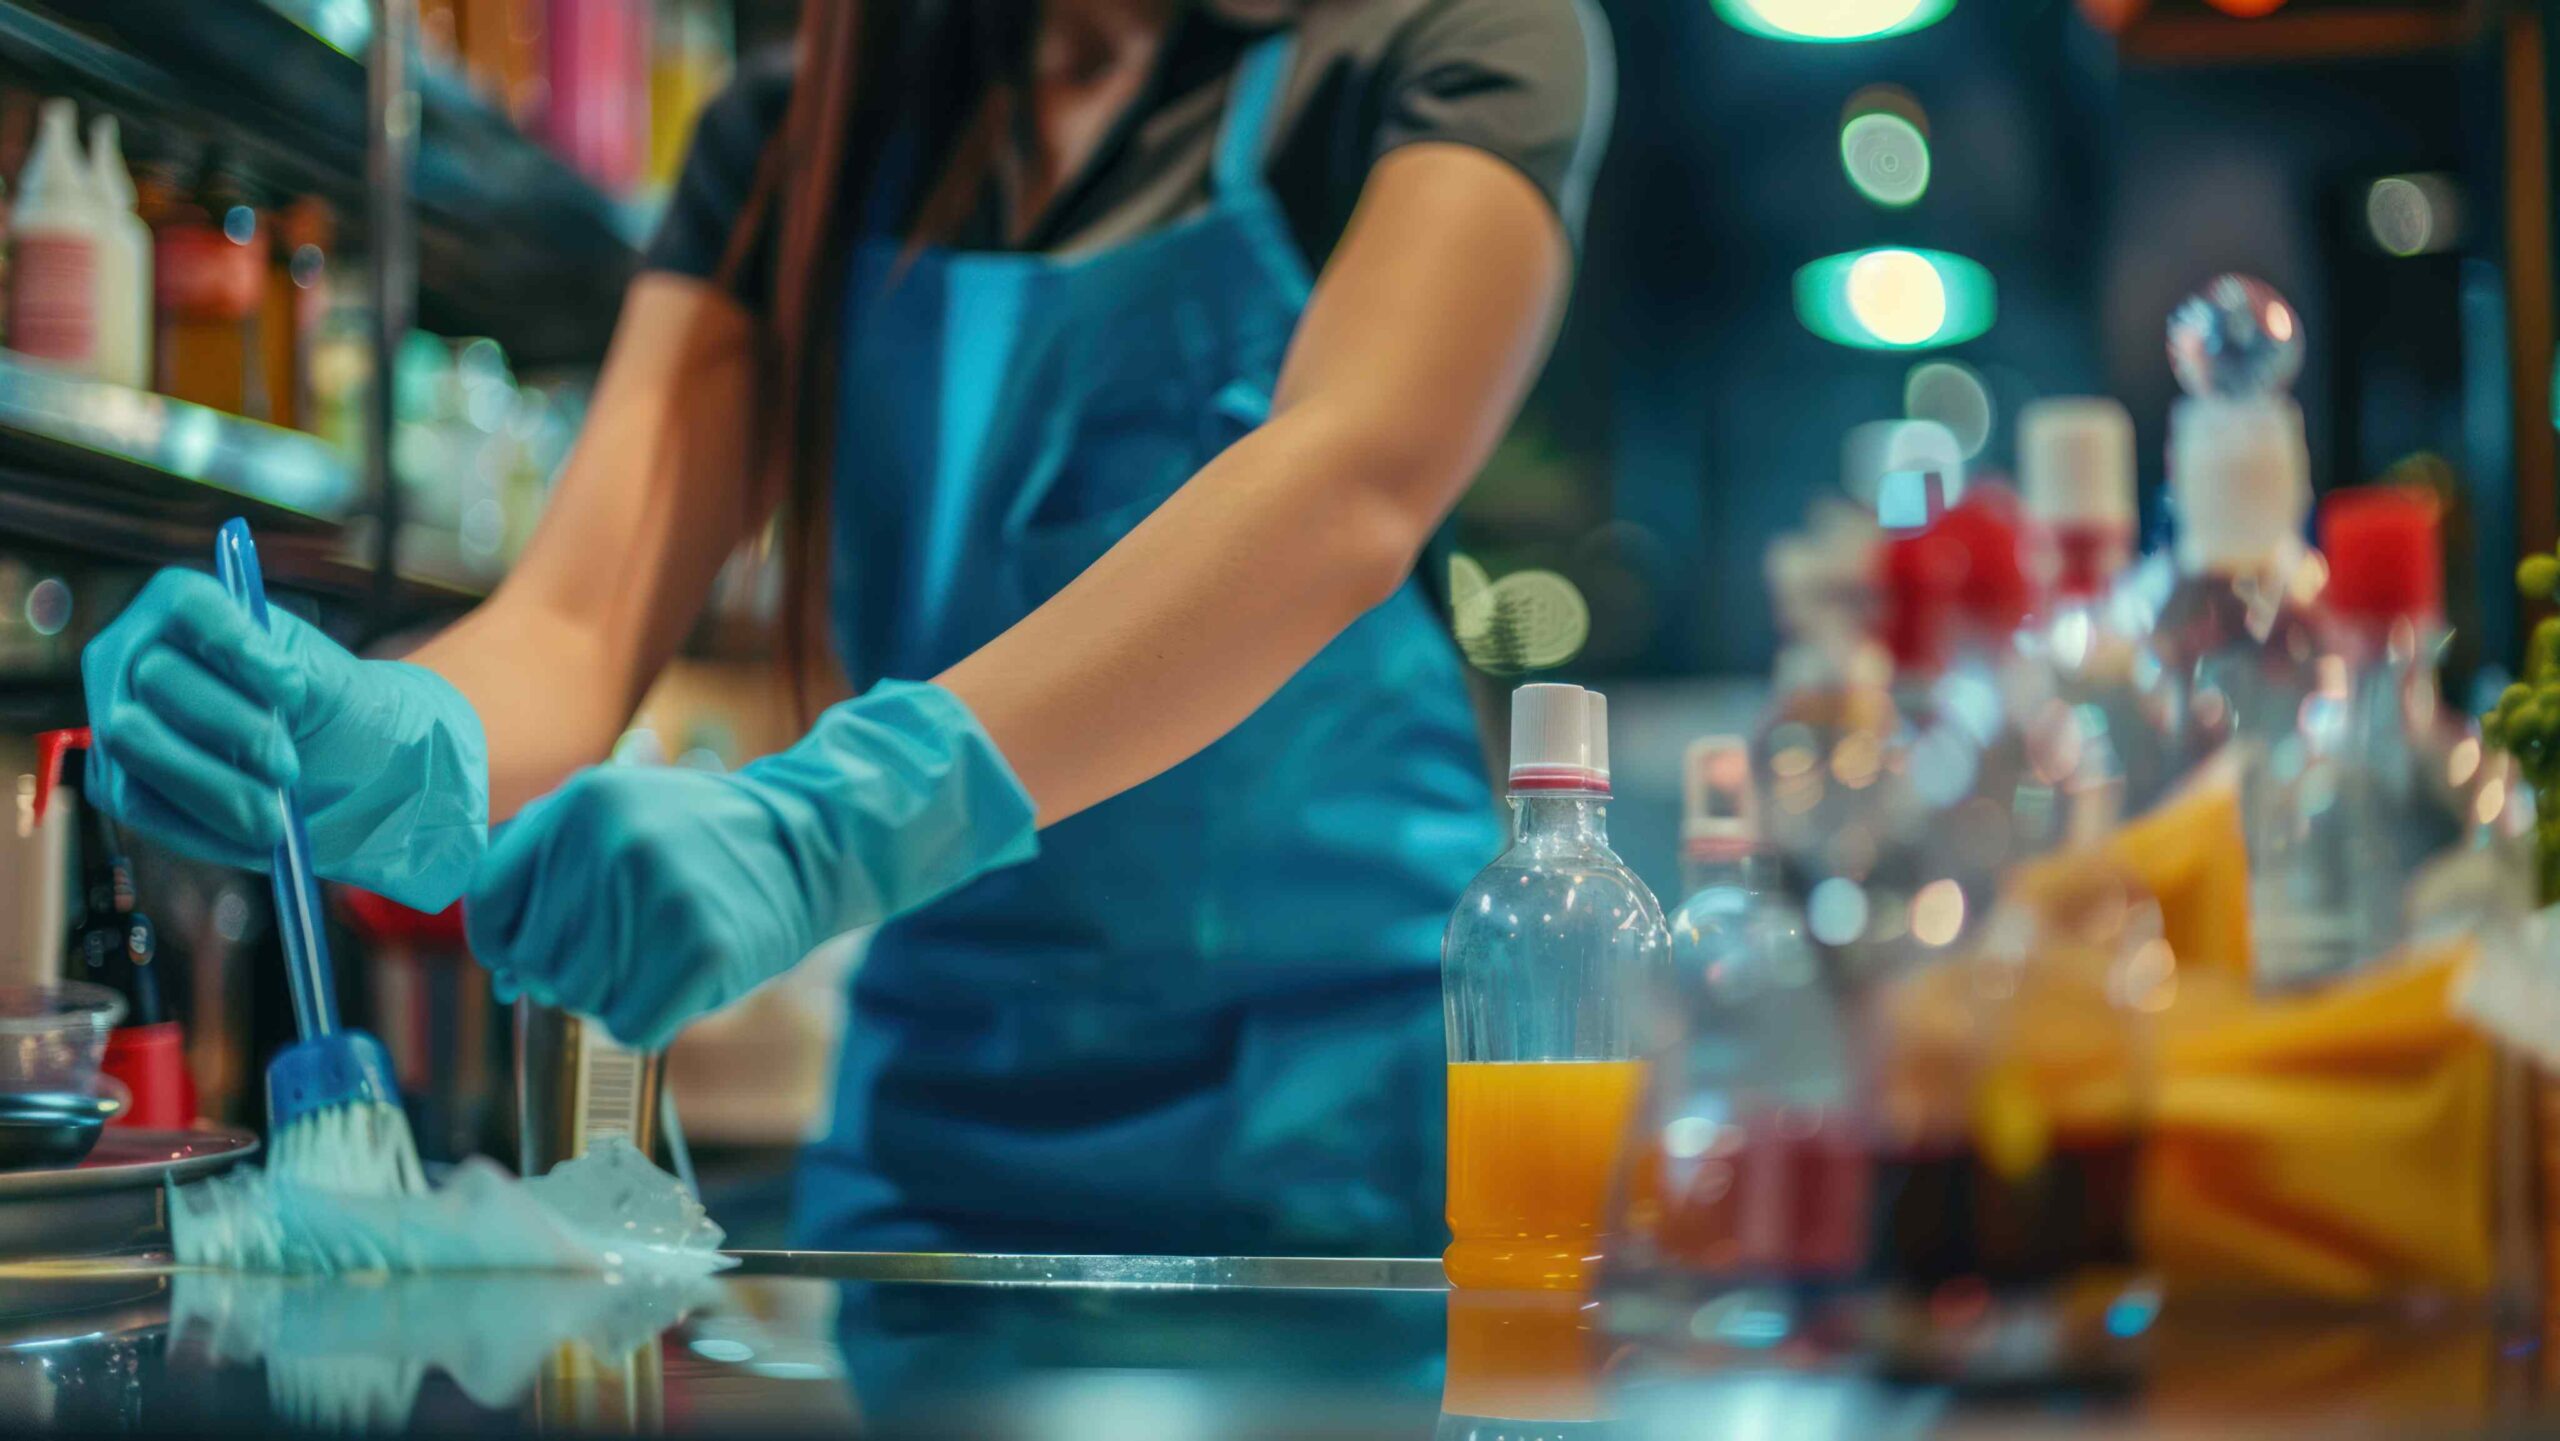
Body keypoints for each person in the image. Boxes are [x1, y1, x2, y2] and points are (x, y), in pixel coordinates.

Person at [81, 0, 1611, 1257]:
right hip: (944, 1151)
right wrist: (380, 735)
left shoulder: (1455, 41)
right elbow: (578, 620)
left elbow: (1344, 487)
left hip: (1338, 1144)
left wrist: (826, 823)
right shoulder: (802, 137)